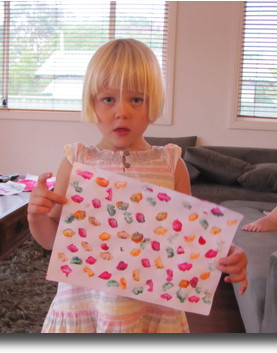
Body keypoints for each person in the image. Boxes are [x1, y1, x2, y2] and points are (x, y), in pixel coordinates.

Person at [27, 38, 248, 333]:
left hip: (150, 313)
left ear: (152, 104)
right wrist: (36, 216)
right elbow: (53, 242)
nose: (123, 112)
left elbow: (188, 241)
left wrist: (226, 252)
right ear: (92, 102)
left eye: (136, 99)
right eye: (109, 99)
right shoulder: (77, 160)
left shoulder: (171, 164)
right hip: (87, 308)